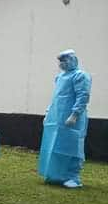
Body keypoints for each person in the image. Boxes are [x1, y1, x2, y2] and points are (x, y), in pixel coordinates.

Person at [38, 49, 92, 188]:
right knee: (54, 145)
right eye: (61, 61)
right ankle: (55, 174)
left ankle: (72, 177)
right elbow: (56, 98)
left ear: (74, 60)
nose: (62, 63)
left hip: (72, 119)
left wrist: (75, 114)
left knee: (73, 147)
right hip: (56, 118)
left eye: (65, 60)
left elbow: (83, 96)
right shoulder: (60, 77)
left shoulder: (80, 76)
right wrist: (48, 113)